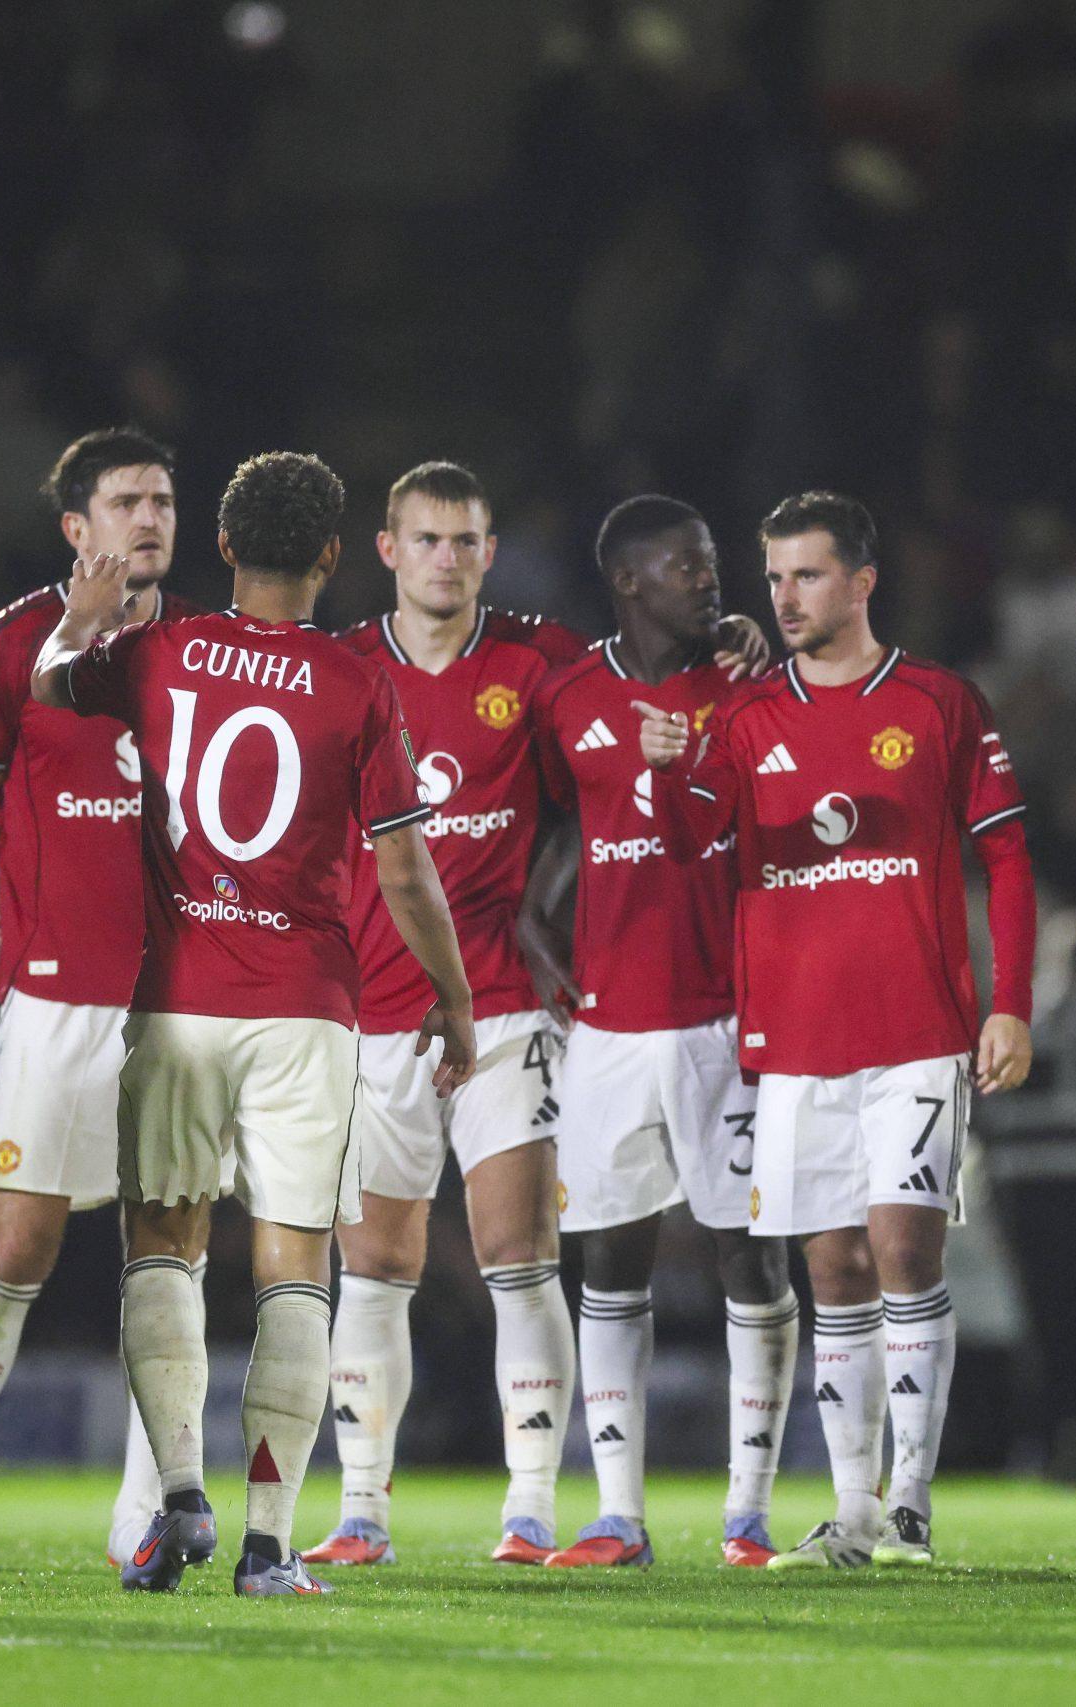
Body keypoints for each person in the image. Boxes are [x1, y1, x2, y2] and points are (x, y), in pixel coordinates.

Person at [32, 451, 475, 1598]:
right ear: (334, 556)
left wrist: (80, 614)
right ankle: (269, 1546)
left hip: (177, 1003)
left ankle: (179, 1493)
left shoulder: (160, 651)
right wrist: (456, 996)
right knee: (295, 1266)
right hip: (306, 1012)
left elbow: (48, 685)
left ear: (223, 547)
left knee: (162, 1247)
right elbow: (406, 869)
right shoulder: (355, 684)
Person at [306, 462, 764, 1567]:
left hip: (506, 1009)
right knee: (372, 1265)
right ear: (387, 551)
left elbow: (622, 719)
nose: (447, 560)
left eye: (467, 541)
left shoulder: (539, 662)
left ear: (490, 550)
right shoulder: (342, 670)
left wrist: (727, 640)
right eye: (427, 541)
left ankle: (530, 1510)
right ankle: (361, 1509)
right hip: (371, 1012)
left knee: (521, 1253)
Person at [635, 490, 1036, 1571]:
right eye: (775, 578)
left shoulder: (942, 702)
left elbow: (1004, 857)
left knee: (903, 1242)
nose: (786, 597)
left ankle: (910, 1500)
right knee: (831, 1266)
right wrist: (673, 763)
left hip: (917, 1029)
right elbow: (687, 847)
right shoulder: (747, 722)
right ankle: (852, 1511)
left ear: (861, 582)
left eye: (807, 575)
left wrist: (1011, 1004)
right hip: (796, 1041)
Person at [0, 428, 200, 1572]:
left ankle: (143, 1508)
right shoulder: (9, 643)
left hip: (178, 1001)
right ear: (77, 527)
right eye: (126, 501)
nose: (149, 518)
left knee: (166, 1247)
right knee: (13, 1241)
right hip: (62, 995)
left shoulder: (202, 653)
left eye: (162, 500)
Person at [519, 495, 797, 1569]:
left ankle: (747, 1512)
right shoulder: (569, 697)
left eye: (710, 563)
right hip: (610, 1032)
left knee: (747, 1254)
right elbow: (551, 847)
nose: (709, 580)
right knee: (611, 1262)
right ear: (629, 580)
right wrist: (553, 971)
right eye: (685, 566)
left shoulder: (744, 681)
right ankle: (618, 1515)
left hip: (726, 1019)